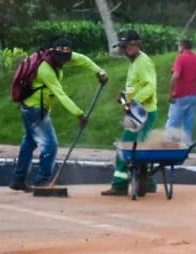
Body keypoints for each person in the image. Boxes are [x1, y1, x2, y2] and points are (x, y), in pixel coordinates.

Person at [10, 38, 108, 191]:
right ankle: (42, 182)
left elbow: (83, 60)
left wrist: (99, 71)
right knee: (50, 144)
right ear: (53, 53)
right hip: (35, 109)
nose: (63, 62)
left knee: (29, 142)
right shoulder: (45, 69)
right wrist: (79, 114)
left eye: (66, 59)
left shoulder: (60, 56)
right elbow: (60, 94)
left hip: (30, 107)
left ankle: (18, 179)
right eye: (60, 59)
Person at [104, 29, 158, 197]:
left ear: (135, 45)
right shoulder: (134, 62)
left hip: (142, 113)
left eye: (126, 47)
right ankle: (148, 182)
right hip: (137, 112)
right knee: (140, 147)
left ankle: (119, 185)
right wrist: (125, 95)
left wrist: (133, 101)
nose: (124, 50)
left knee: (125, 146)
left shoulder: (143, 62)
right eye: (123, 47)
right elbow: (136, 85)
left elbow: (150, 87)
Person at [164, 37, 196, 143]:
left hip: (180, 94)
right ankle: (186, 146)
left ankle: (167, 146)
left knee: (173, 122)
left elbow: (176, 75)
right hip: (193, 95)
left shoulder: (180, 58)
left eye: (178, 46)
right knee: (188, 123)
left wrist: (170, 92)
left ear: (182, 47)